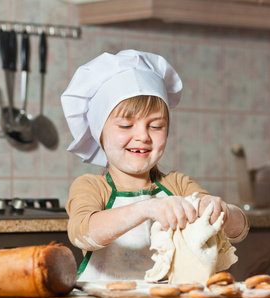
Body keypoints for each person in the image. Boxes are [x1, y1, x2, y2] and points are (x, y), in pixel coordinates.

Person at [61, 49, 249, 281]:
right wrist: (146, 208)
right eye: (126, 126)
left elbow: (239, 229)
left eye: (156, 126)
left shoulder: (178, 185)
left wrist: (222, 211)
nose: (142, 136)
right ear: (100, 134)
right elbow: (82, 233)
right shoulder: (92, 187)